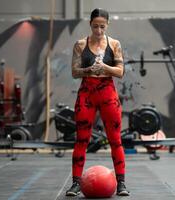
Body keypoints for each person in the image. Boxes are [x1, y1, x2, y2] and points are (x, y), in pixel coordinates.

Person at [66, 8, 129, 196]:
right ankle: (76, 183)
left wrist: (104, 67)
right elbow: (74, 72)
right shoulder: (80, 44)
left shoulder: (114, 44)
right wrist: (89, 70)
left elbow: (120, 71)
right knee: (81, 139)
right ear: (90, 24)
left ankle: (121, 183)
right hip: (87, 94)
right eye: (95, 26)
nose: (99, 31)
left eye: (102, 27)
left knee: (115, 139)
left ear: (107, 25)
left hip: (108, 93)